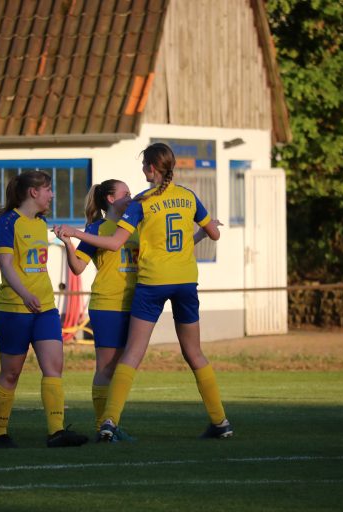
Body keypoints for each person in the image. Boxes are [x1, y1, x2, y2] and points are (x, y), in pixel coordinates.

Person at [54, 142, 233, 442]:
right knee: (194, 352)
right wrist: (206, 229)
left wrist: (73, 233)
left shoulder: (141, 203)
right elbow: (213, 234)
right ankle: (221, 421)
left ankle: (109, 422)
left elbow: (115, 243)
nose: (141, 172)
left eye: (142, 166)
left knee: (132, 354)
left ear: (151, 168)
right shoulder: (188, 196)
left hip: (152, 282)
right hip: (185, 281)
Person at [0, 171, 89, 448]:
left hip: (45, 309)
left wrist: (66, 240)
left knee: (54, 367)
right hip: (14, 309)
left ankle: (56, 431)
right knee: (11, 373)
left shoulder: (41, 223)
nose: (52, 195)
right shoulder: (7, 222)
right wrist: (24, 295)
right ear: (33, 192)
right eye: (48, 189)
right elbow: (6, 265)